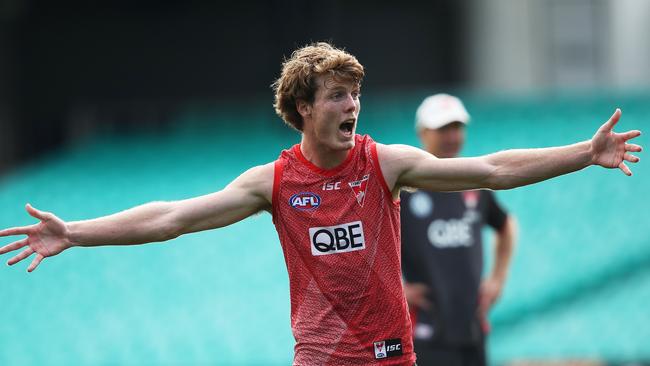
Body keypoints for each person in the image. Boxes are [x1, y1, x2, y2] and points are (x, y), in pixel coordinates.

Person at [0, 42, 643, 366]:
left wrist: (582, 154)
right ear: (304, 108)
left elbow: (494, 171)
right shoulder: (272, 183)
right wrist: (77, 232)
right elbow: (173, 217)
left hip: (394, 356)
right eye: (337, 95)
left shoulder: (385, 163)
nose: (351, 106)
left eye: (355, 94)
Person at [401, 94, 517, 366]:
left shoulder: (475, 183)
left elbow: (506, 225)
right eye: (443, 128)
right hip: (425, 331)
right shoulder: (404, 188)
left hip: (472, 326)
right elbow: (369, 242)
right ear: (423, 133)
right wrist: (395, 289)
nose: (452, 136)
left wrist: (498, 279)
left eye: (457, 127)